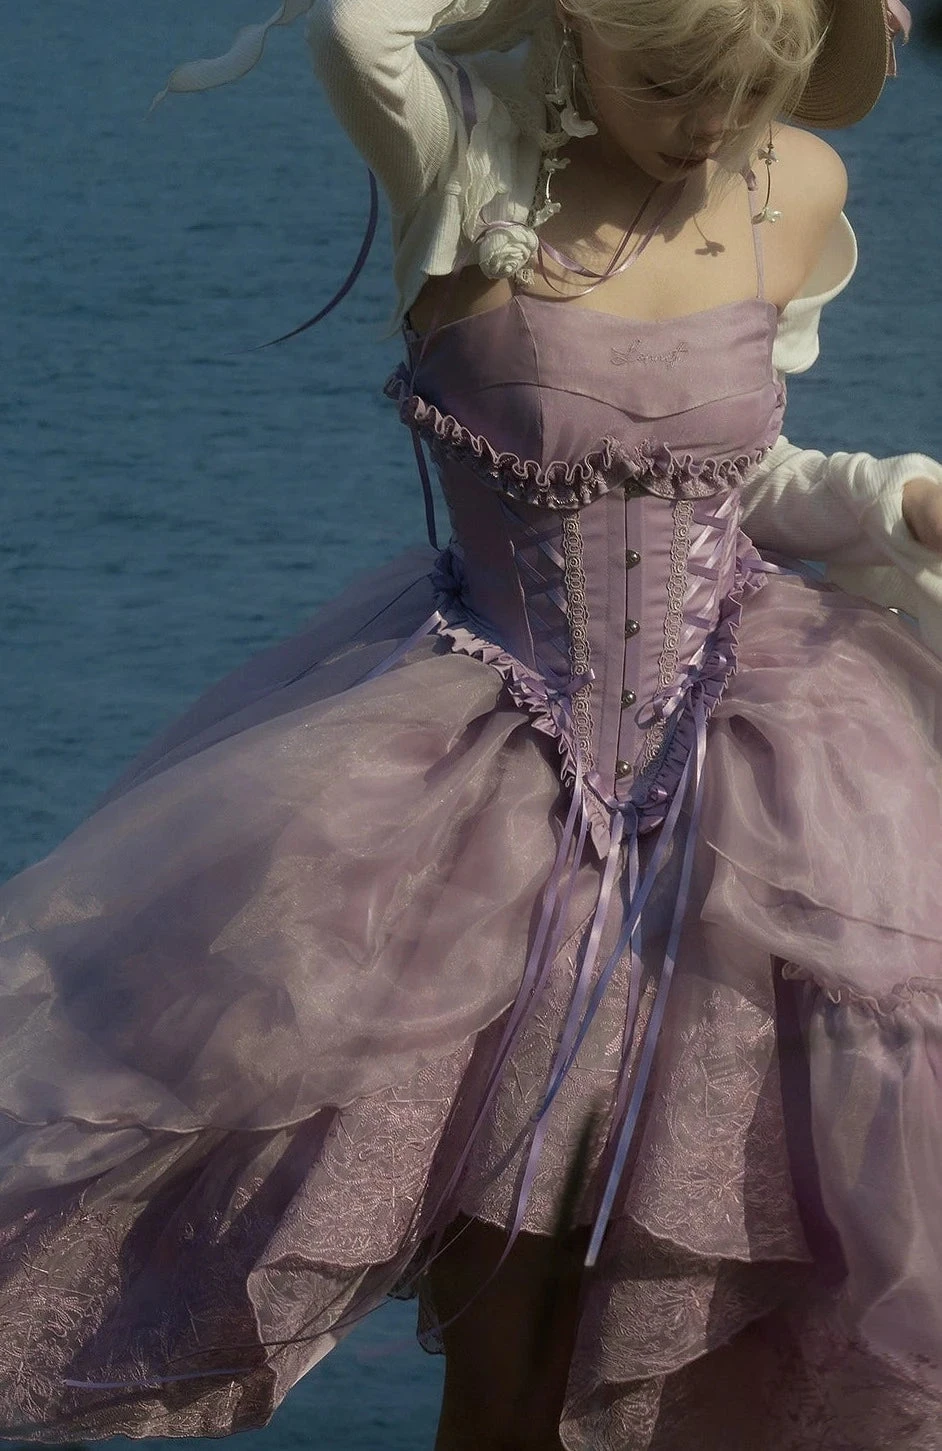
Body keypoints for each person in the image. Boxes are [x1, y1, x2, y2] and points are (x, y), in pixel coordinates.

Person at [2, 0, 942, 1447]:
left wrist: (895, 501)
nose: (709, 125)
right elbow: (353, 27)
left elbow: (734, 478)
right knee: (502, 1365)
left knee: (699, 1344)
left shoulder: (793, 181)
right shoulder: (461, 162)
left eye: (746, 89)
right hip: (488, 829)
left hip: (752, 825)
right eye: (674, 82)